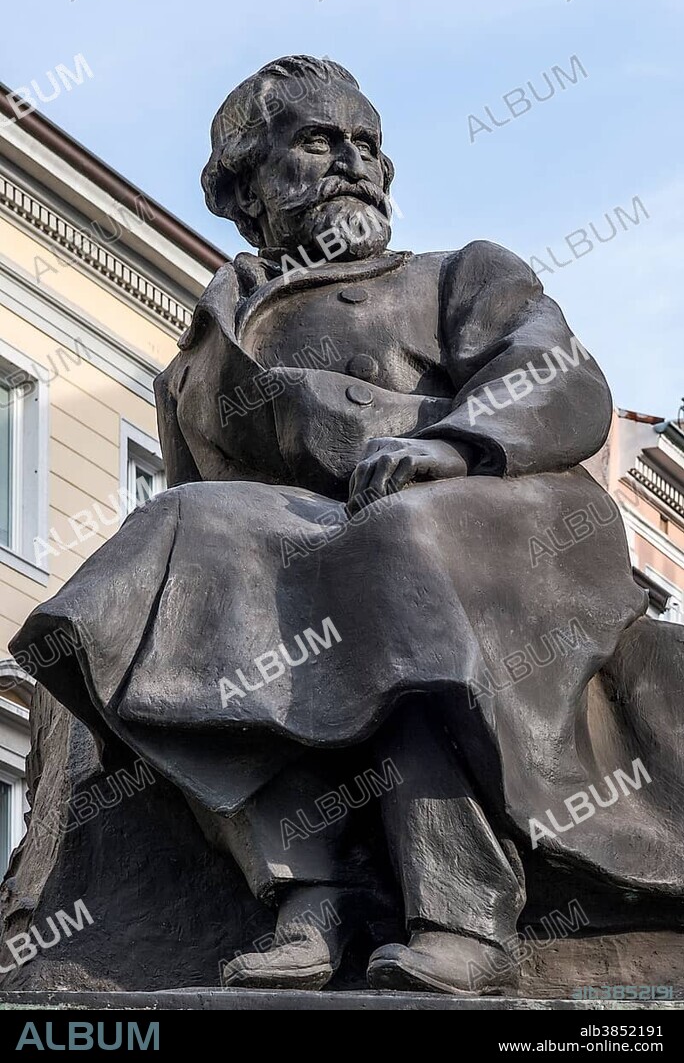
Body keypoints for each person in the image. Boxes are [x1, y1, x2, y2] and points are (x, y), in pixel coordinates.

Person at [12, 56, 683, 996]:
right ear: (247, 186)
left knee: (388, 553)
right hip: (307, 553)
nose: (355, 162)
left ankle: (461, 908)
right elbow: (205, 510)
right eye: (321, 142)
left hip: (498, 519)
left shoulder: (456, 275)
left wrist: (450, 444)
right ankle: (315, 889)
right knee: (173, 566)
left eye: (369, 145)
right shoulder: (196, 367)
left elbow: (558, 379)